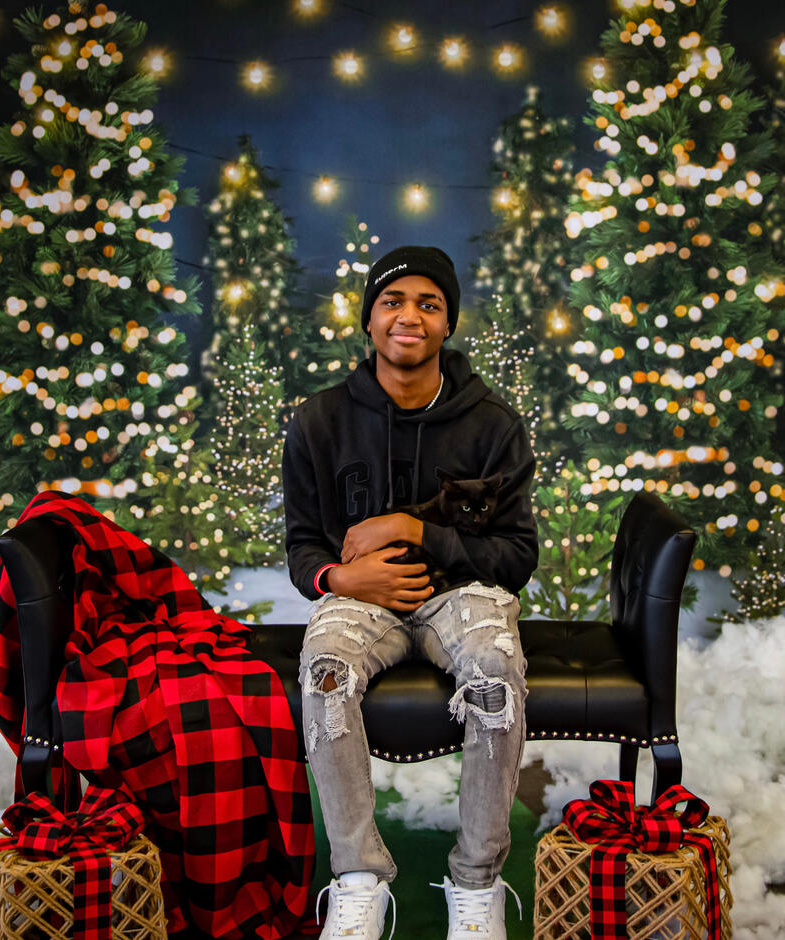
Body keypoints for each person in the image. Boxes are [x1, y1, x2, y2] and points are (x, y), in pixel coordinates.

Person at [282, 245, 538, 940]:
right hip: (361, 600)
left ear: (447, 324)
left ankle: (477, 884)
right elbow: (302, 542)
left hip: (462, 594)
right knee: (325, 671)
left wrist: (413, 529)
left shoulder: (494, 426)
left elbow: (516, 556)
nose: (410, 317)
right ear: (370, 320)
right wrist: (336, 578)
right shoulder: (318, 421)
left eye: (429, 304)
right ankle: (358, 878)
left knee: (495, 671)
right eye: (393, 302)